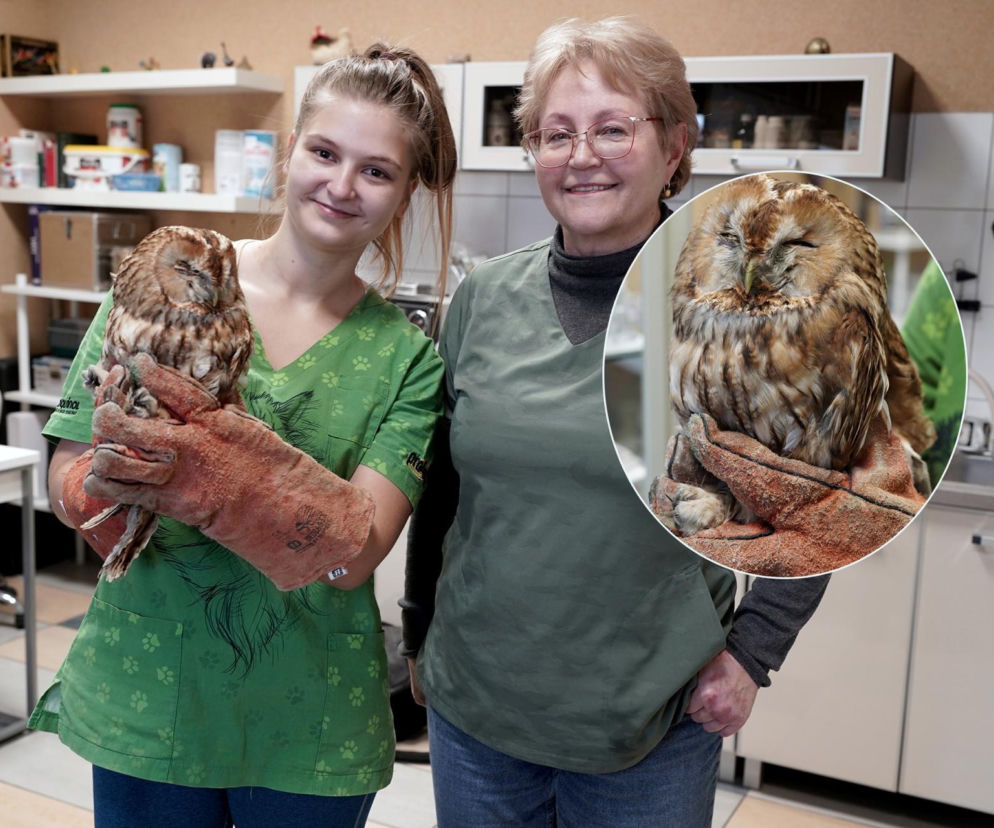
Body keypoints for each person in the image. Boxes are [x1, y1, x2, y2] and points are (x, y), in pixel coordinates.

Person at [401, 17, 828, 828]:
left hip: (649, 729)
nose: (581, 155)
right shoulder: (483, 301)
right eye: (555, 133)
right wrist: (419, 631)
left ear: (673, 147)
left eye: (612, 129)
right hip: (477, 712)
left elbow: (816, 514)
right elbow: (445, 487)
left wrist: (750, 657)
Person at [30, 44, 456, 827]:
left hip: (308, 717)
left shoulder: (409, 359)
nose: (341, 184)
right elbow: (68, 480)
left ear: (406, 191)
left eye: (377, 170)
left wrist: (215, 480)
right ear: (289, 152)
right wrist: (101, 486)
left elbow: (355, 551)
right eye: (324, 152)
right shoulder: (170, 277)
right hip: (151, 687)